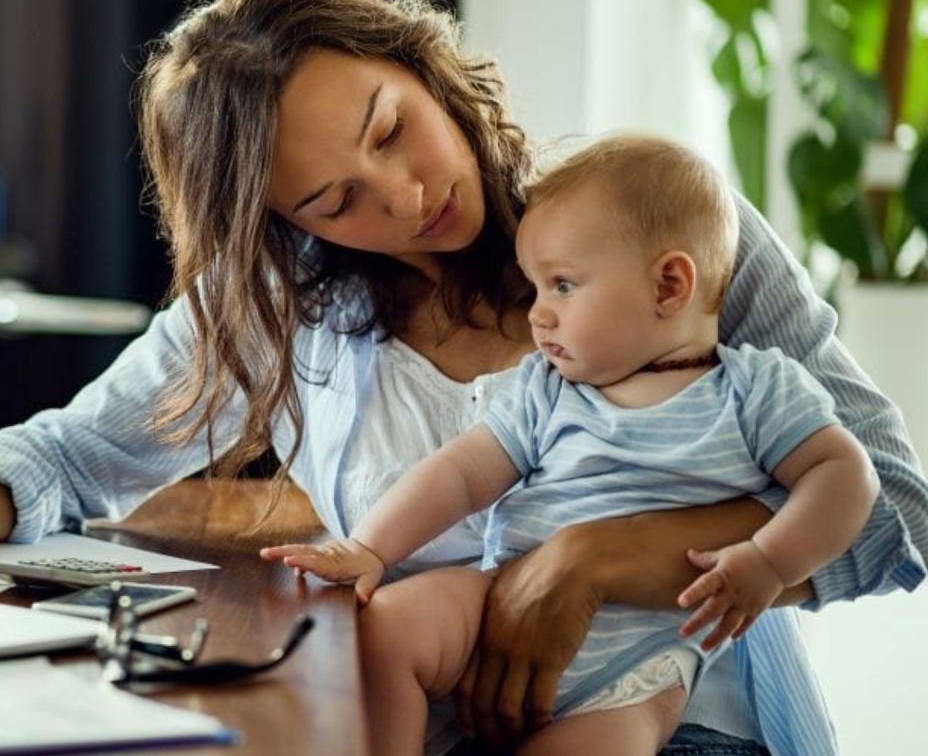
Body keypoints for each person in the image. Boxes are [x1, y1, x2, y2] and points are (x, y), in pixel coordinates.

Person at [0, 0, 926, 756]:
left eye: (392, 129)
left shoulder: (657, 233)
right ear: (292, 224)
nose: (406, 197)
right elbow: (71, 454)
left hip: (676, 721)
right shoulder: (285, 304)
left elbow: (900, 517)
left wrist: (585, 558)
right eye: (335, 200)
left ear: (423, 66)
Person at [260, 134, 881, 756]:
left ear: (669, 286)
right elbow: (461, 474)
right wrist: (370, 548)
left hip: (636, 669)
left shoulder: (755, 391)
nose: (538, 315)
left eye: (562, 285)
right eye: (534, 288)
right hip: (501, 598)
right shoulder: (550, 388)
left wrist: (772, 561)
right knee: (387, 628)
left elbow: (846, 472)